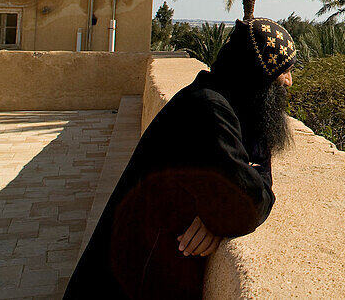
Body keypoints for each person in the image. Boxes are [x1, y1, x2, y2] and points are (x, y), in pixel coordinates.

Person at [65, 18, 298, 299]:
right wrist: (226, 213)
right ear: (255, 75)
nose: (288, 81)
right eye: (284, 72)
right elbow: (250, 201)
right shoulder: (209, 111)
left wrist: (219, 216)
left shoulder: (217, 100)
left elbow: (243, 188)